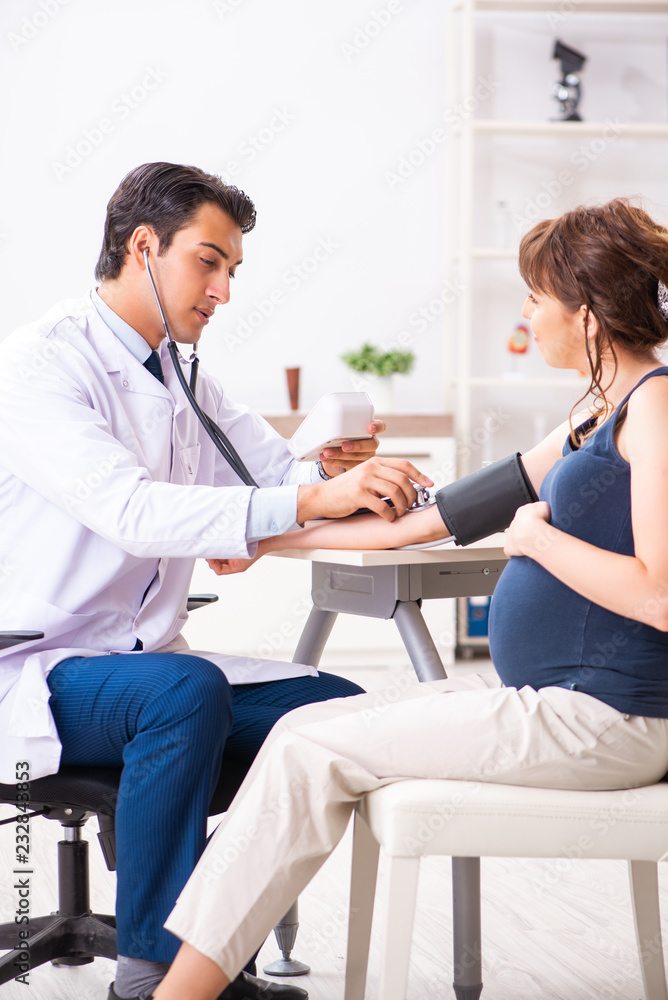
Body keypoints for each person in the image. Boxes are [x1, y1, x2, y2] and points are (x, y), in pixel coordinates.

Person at [146, 197, 668, 1000]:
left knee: (307, 749)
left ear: (590, 315)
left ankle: (181, 992)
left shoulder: (657, 409)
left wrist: (537, 542)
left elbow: (661, 596)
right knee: (301, 730)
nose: (526, 313)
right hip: (560, 704)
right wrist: (255, 538)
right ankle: (191, 981)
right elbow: (428, 520)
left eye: (536, 296)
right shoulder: (592, 418)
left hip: (606, 719)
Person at [0, 162, 433, 1000]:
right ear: (142, 246)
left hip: (142, 664)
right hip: (37, 668)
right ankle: (160, 969)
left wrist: (336, 470)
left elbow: (268, 472)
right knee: (183, 693)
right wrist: (308, 495)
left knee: (333, 709)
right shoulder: (41, 364)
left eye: (233, 270)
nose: (224, 290)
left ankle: (208, 934)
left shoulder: (181, 373)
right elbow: (130, 510)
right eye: (209, 261)